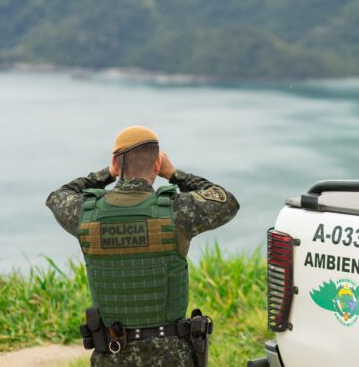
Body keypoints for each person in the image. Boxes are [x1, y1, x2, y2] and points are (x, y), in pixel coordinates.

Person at [46, 125, 239, 367]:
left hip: (113, 354)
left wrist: (106, 173)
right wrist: (175, 174)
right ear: (157, 165)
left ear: (116, 163)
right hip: (172, 357)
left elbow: (58, 196)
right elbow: (225, 201)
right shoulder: (177, 212)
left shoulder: (85, 215)